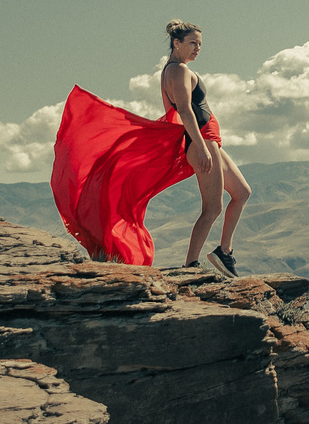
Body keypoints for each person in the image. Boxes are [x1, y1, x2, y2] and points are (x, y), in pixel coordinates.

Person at [49, 19, 252, 273]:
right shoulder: (177, 70)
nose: (197, 48)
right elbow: (185, 111)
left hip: (209, 139)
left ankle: (224, 252)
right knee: (212, 207)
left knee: (242, 193)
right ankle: (191, 264)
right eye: (192, 43)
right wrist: (199, 146)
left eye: (200, 44)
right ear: (176, 43)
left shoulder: (176, 70)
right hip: (202, 140)